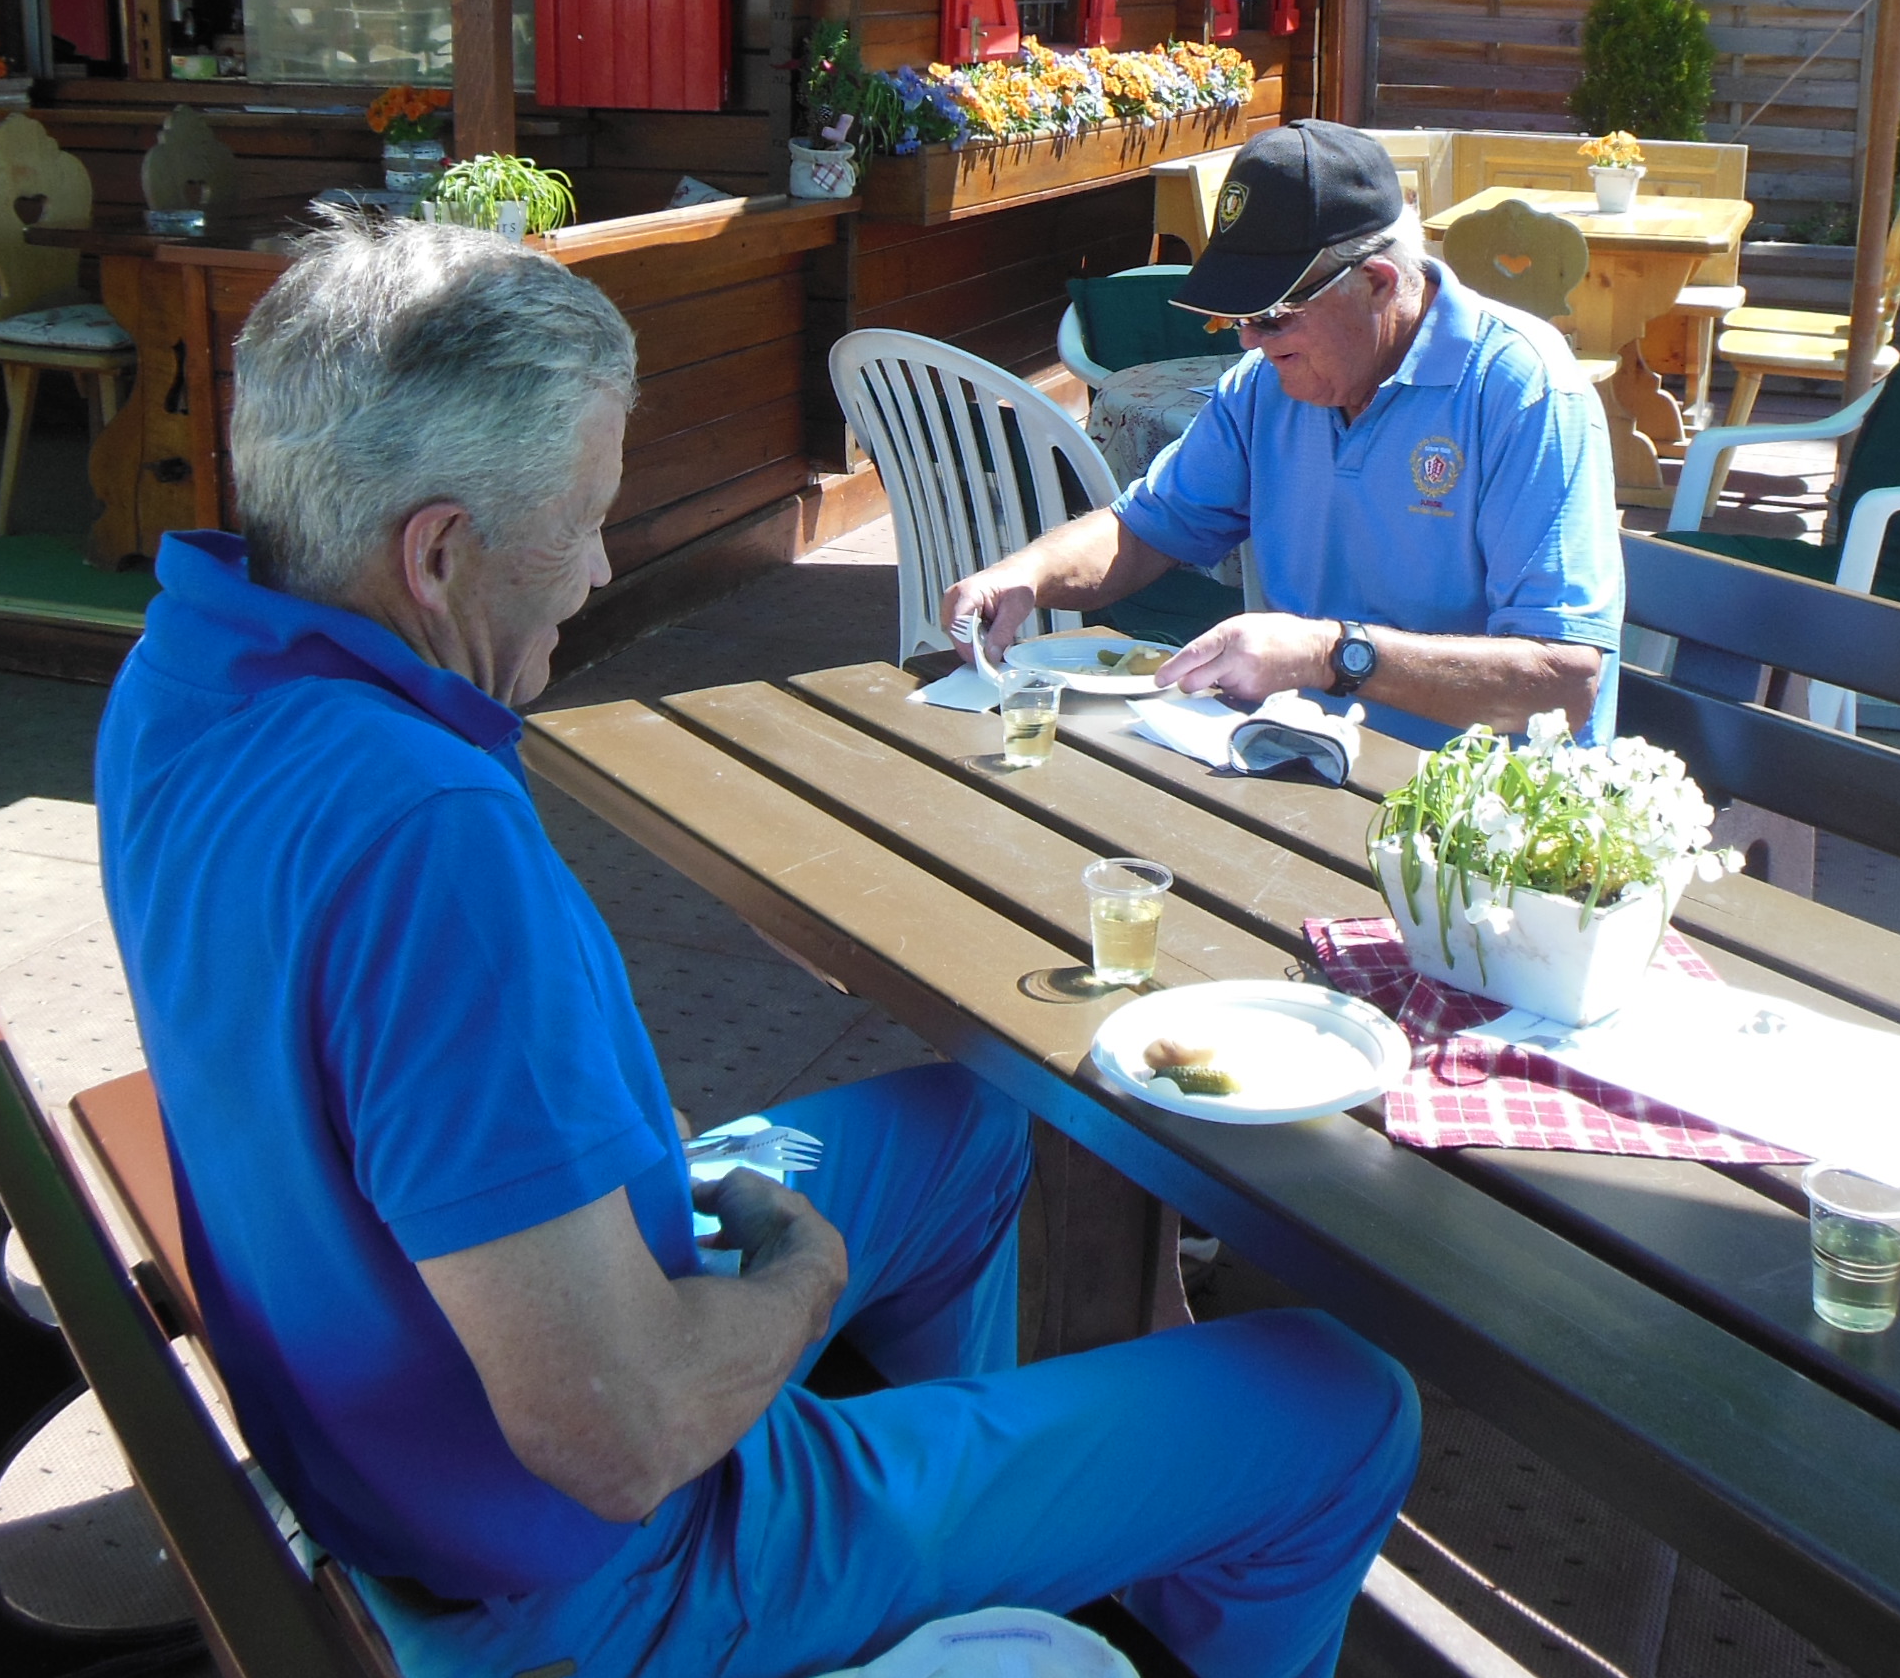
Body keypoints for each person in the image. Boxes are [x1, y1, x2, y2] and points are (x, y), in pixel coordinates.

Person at [95, 220, 1418, 1678]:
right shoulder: (425, 834)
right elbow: (623, 1438)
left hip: (388, 1390)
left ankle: (1016, 1547)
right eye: (583, 521)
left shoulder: (184, 669)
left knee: (987, 1128)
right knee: (1343, 1399)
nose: (598, 569)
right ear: (439, 552)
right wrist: (798, 1285)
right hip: (611, 1569)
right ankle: (926, 1541)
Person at [945, 121, 1624, 747]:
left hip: (1474, 804)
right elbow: (1147, 528)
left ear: (1377, 282)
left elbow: (1565, 683)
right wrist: (1026, 574)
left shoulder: (1522, 391)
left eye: (1272, 313)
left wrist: (1331, 655)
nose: (1248, 340)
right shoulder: (1264, 386)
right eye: (1235, 316)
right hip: (1299, 761)